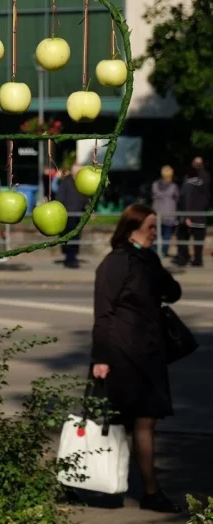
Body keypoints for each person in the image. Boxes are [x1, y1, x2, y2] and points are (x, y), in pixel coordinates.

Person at [91, 204, 182, 513]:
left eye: (156, 227)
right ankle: (124, 488)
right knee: (122, 423)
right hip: (120, 354)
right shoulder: (114, 263)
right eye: (150, 227)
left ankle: (144, 489)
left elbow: (173, 292)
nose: (155, 232)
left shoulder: (148, 259)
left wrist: (156, 269)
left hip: (147, 353)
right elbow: (103, 314)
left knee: (142, 423)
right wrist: (100, 358)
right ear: (131, 229)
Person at [174, 161, 209, 267]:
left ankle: (184, 257)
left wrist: (187, 216)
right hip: (201, 216)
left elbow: (186, 200)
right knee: (199, 240)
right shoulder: (203, 184)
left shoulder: (188, 185)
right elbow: (207, 200)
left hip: (190, 216)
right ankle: (198, 260)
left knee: (182, 236)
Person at [56, 165, 89, 268]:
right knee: (69, 237)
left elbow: (85, 197)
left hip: (78, 214)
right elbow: (60, 197)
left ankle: (72, 257)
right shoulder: (66, 182)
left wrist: (88, 210)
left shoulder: (82, 182)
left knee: (76, 237)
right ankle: (70, 258)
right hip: (68, 215)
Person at [150, 165, 179, 257]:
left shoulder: (154, 185)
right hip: (169, 214)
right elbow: (177, 198)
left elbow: (152, 196)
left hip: (157, 213)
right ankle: (163, 251)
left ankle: (154, 251)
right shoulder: (173, 187)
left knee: (155, 234)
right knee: (167, 235)